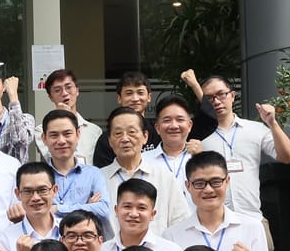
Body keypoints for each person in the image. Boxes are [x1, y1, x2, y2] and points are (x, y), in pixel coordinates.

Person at [199, 75, 290, 251]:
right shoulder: (204, 141)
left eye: (221, 94)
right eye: (209, 98)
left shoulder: (255, 130)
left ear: (232, 95)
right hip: (218, 223)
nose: (216, 101)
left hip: (252, 219)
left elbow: (287, 156)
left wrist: (272, 123)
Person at [166, 152, 274, 251]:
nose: (208, 189)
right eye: (200, 183)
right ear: (188, 186)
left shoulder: (251, 227)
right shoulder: (172, 235)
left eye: (216, 182)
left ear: (227, 181)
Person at [90, 70, 214, 168]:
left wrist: (195, 85)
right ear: (119, 98)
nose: (135, 98)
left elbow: (210, 120)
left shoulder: (163, 129)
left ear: (149, 97)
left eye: (140, 93)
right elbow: (104, 174)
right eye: (129, 93)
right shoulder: (109, 138)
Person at [102, 107, 190, 237]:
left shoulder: (164, 176)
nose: (125, 139)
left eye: (132, 132)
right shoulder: (98, 179)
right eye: (118, 133)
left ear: (145, 137)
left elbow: (180, 222)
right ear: (110, 141)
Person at [95, 179, 181, 251]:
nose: (133, 214)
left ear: (152, 214)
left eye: (141, 208)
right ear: (116, 210)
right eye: (127, 206)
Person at [41, 109, 111, 231]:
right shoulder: (38, 176)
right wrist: (86, 208)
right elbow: (35, 212)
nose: (61, 141)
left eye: (67, 134)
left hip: (83, 240)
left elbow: (103, 210)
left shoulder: (93, 174)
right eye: (54, 135)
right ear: (44, 139)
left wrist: (57, 209)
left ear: (78, 134)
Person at [143, 94, 208, 212]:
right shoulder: (143, 161)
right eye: (167, 120)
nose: (174, 126)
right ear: (157, 128)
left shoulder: (202, 158)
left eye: (180, 120)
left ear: (189, 125)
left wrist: (202, 159)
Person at [44, 68, 100, 164]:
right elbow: (50, 158)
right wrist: (64, 119)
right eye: (57, 90)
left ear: (77, 90)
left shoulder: (94, 130)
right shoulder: (41, 130)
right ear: (50, 97)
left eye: (68, 87)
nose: (64, 93)